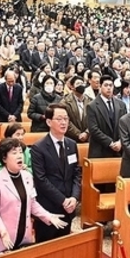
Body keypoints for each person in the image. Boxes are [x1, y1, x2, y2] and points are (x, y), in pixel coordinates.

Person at [0, 138, 67, 255]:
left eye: (21, 152)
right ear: (4, 158)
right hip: (2, 240)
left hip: (23, 238)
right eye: (14, 153)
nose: (19, 156)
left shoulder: (27, 176)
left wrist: (48, 216)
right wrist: (2, 232)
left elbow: (32, 203)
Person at [30, 103, 81, 242]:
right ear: (48, 121)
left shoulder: (72, 144)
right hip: (49, 207)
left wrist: (74, 198)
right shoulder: (38, 148)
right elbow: (41, 180)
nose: (64, 122)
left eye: (66, 119)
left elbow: (76, 173)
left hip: (69, 206)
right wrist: (62, 200)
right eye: (59, 119)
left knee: (65, 247)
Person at [87, 75, 127, 158]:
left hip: (119, 150)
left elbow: (125, 126)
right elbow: (93, 129)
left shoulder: (121, 104)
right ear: (100, 86)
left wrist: (120, 141)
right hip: (100, 150)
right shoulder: (92, 106)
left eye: (111, 85)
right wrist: (110, 143)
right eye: (106, 85)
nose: (108, 88)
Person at [63, 76, 89, 143]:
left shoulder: (91, 101)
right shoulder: (65, 102)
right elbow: (66, 120)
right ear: (72, 87)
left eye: (82, 83)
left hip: (89, 137)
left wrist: (86, 133)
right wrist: (78, 134)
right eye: (78, 83)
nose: (81, 85)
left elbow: (95, 120)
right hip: (71, 138)